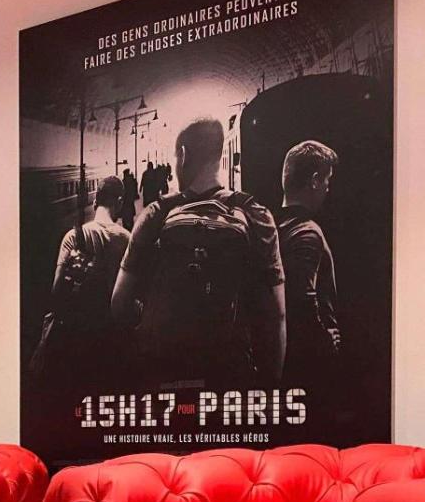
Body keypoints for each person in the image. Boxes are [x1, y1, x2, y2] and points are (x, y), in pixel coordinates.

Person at [112, 117, 285, 386]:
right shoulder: (255, 214)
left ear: (183, 155)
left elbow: (119, 303)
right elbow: (276, 316)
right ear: (219, 153)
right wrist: (271, 383)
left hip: (165, 371)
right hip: (229, 372)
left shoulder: (156, 214)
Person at [28, 176, 131, 385]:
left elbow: (57, 291)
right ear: (119, 203)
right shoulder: (126, 240)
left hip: (75, 336)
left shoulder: (73, 237)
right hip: (109, 338)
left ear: (95, 201)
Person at [276, 140, 342, 388]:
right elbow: (302, 301)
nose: (327, 188)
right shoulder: (307, 232)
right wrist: (325, 341)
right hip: (310, 367)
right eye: (327, 180)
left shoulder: (273, 229)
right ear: (314, 180)